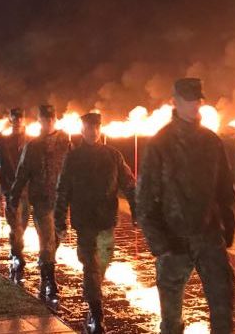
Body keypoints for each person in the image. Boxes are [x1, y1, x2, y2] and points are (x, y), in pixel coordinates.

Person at [135, 78, 235, 334]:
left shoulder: (212, 142)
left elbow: (225, 190)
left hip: (209, 237)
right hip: (173, 240)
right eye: (189, 100)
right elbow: (145, 200)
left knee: (223, 309)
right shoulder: (160, 144)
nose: (194, 105)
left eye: (198, 100)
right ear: (175, 102)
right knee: (171, 321)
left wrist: (227, 228)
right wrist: (160, 246)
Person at [54, 112, 136, 333]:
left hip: (107, 221)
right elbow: (63, 189)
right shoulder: (73, 158)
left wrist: (137, 210)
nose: (93, 131)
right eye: (88, 127)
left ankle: (93, 296)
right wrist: (59, 219)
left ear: (100, 129)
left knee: (103, 264)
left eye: (96, 127)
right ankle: (96, 311)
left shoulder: (113, 155)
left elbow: (128, 183)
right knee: (91, 267)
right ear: (82, 130)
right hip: (85, 222)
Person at [9, 104, 70, 301]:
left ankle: (45, 265)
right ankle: (49, 279)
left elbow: (74, 170)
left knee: (58, 235)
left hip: (61, 201)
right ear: (40, 121)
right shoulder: (33, 146)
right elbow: (22, 172)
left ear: (55, 120)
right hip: (42, 199)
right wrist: (14, 194)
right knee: (47, 239)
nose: (49, 122)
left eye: (51, 118)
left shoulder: (66, 143)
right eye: (45, 119)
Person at [0, 108, 30, 283]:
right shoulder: (3, 142)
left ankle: (16, 249)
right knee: (16, 225)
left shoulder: (31, 141)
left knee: (23, 224)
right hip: (11, 190)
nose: (18, 121)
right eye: (15, 119)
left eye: (21, 118)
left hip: (26, 190)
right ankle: (18, 254)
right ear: (11, 121)